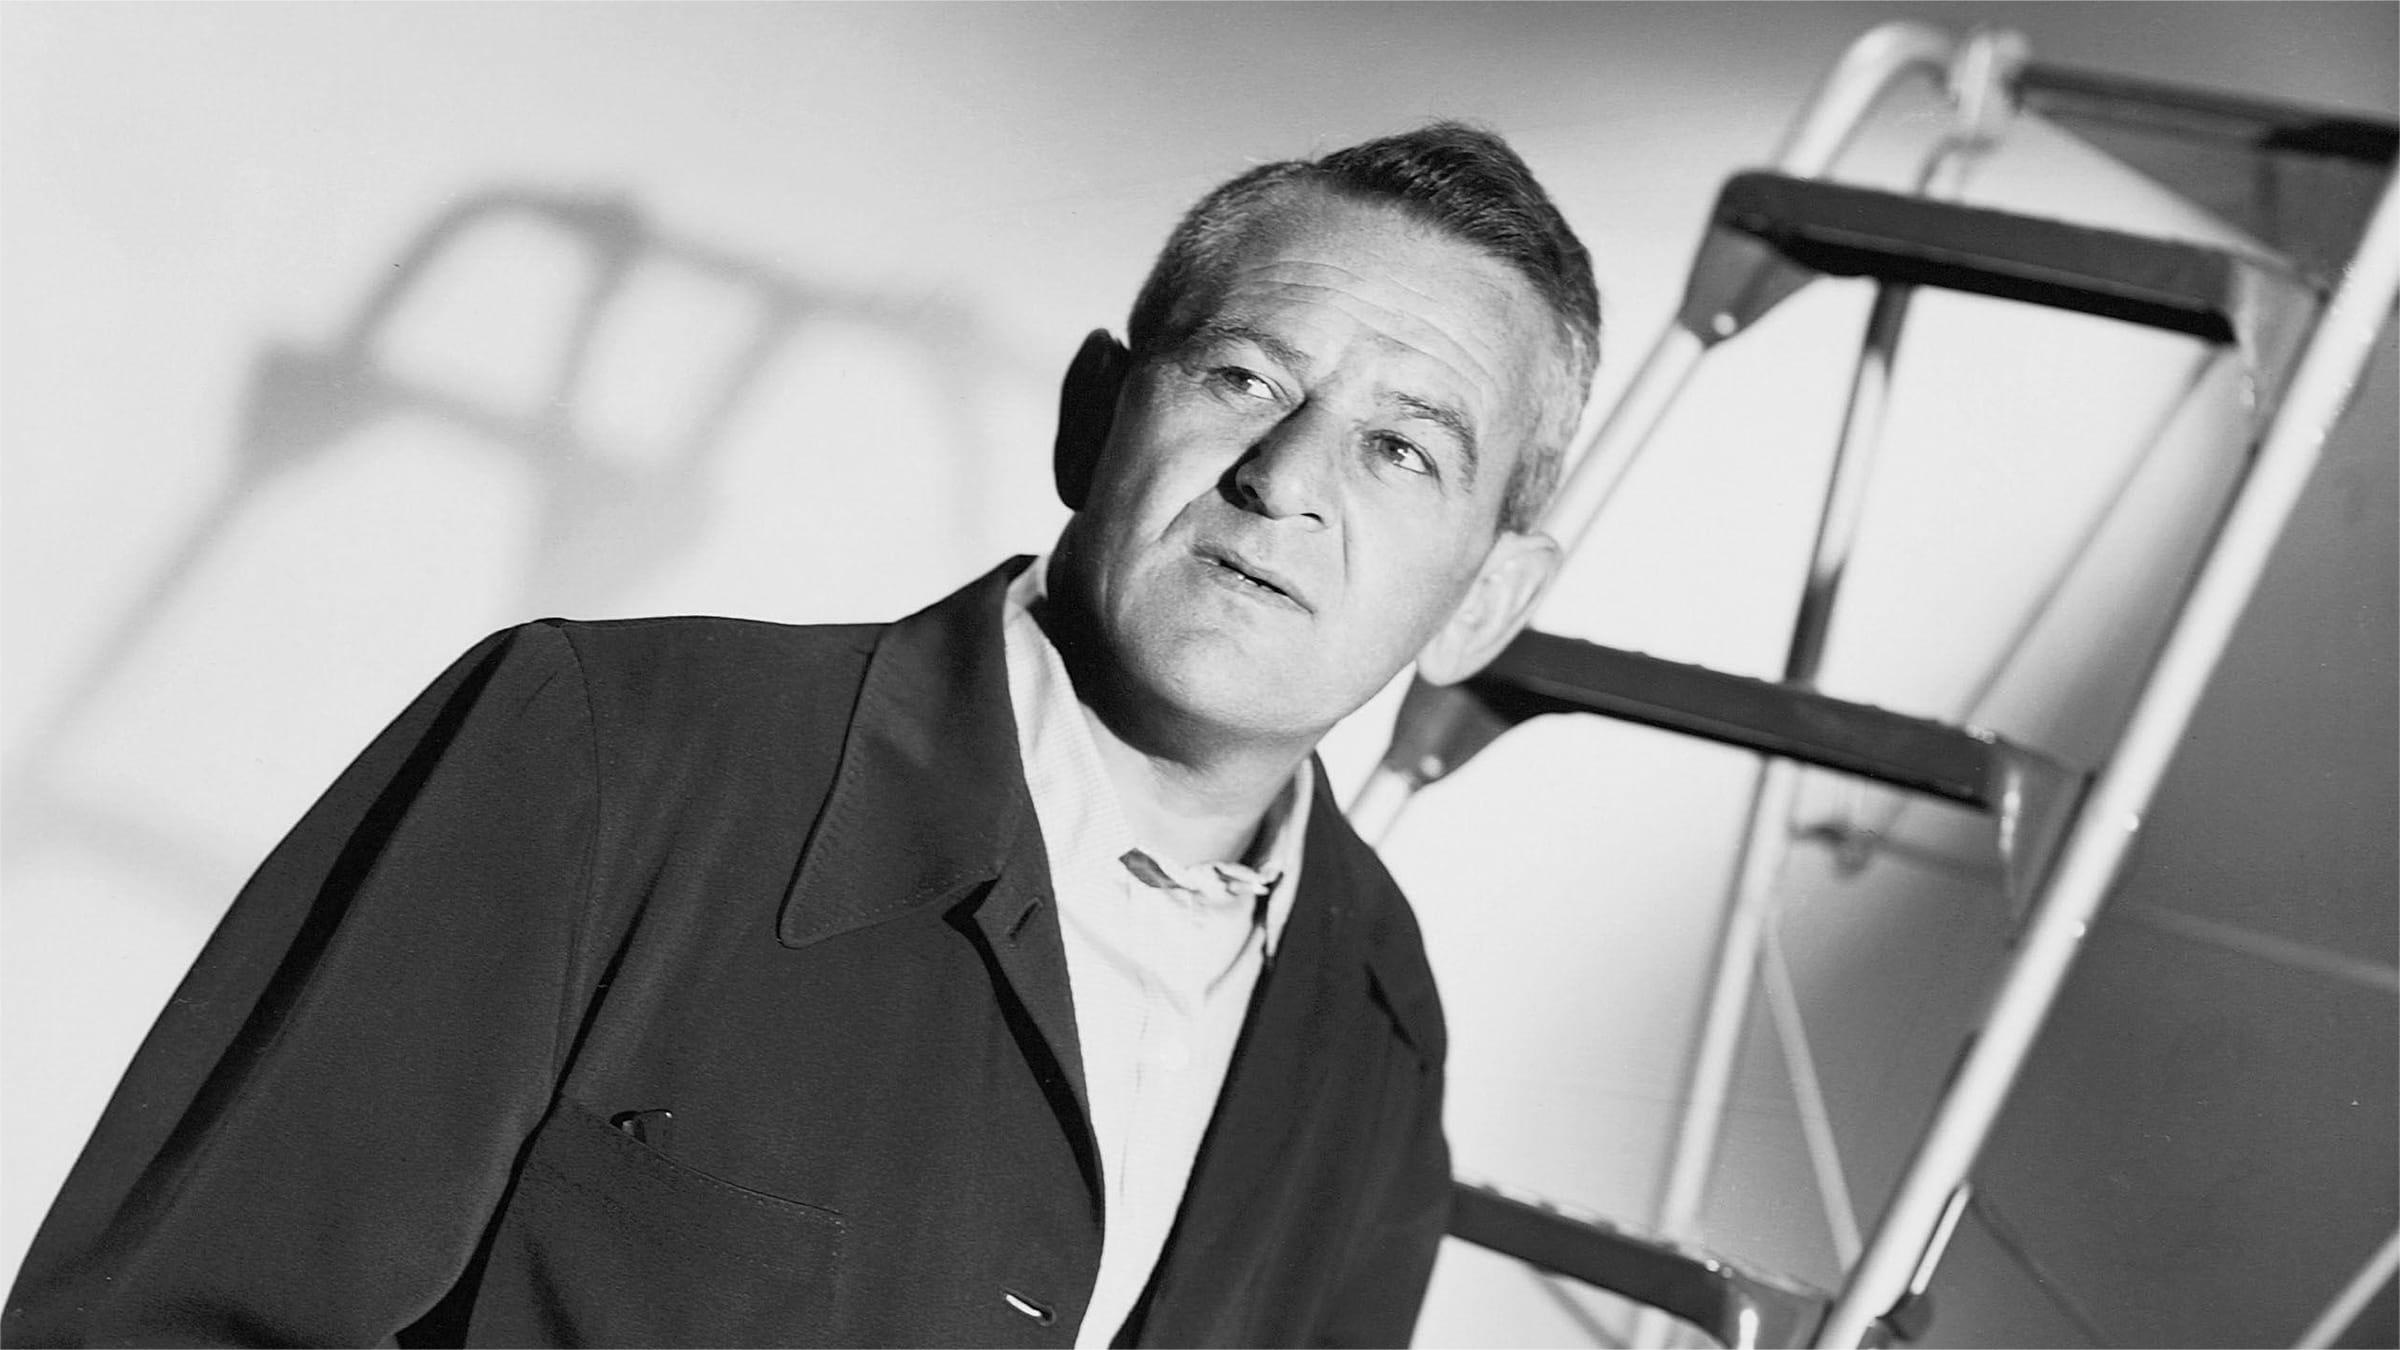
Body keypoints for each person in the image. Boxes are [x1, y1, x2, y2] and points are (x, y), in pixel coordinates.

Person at [3, 121, 1599, 1348]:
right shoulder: (604, 751)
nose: (1288, 476)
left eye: (1404, 449)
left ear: (1487, 598)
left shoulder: (1374, 1018)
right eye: (1245, 377)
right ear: (1094, 417)